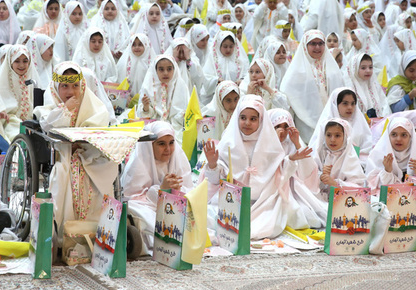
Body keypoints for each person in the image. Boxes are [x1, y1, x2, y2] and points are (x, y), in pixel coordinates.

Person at [201, 95, 316, 238]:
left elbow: (280, 174)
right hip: (233, 200)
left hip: (263, 201)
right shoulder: (228, 143)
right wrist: (212, 164)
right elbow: (215, 181)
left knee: (266, 225)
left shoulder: (270, 144)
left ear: (261, 120)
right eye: (243, 118)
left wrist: (291, 159)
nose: (247, 123)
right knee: (206, 217)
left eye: (253, 119)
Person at [35, 62, 112, 240]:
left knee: (107, 164)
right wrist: (65, 110)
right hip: (63, 155)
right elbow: (47, 124)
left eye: (75, 86)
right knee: (63, 173)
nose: (71, 91)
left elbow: (101, 119)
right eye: (65, 86)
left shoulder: (91, 102)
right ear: (56, 87)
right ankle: (66, 232)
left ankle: (100, 228)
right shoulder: (50, 105)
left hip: (88, 153)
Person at [121, 121, 194, 255]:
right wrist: (160, 191)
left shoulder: (178, 159)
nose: (168, 149)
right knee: (137, 211)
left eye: (171, 143)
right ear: (150, 145)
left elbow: (189, 190)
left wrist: (175, 191)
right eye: (161, 144)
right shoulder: (138, 162)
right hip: (148, 206)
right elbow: (132, 196)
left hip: (175, 205)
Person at [280, 30, 345, 142]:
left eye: (320, 43)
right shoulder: (297, 71)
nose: (317, 47)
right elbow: (288, 93)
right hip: (306, 126)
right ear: (305, 46)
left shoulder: (332, 68)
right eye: (313, 44)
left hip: (332, 123)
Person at [366, 116, 416, 188]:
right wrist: (387, 171)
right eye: (394, 134)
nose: (398, 139)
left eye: (404, 135)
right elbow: (370, 184)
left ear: (410, 137)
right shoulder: (378, 155)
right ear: (388, 136)